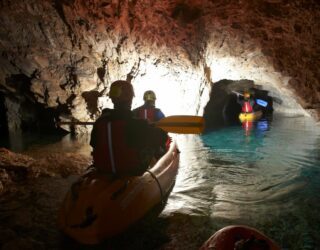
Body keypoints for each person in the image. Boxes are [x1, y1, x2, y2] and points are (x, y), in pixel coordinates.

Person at [90, 80, 168, 177]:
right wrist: (151, 127)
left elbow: (93, 143)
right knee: (151, 146)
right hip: (132, 170)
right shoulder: (138, 124)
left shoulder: (100, 121)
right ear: (130, 98)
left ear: (112, 99)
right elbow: (162, 138)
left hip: (103, 170)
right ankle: (156, 165)